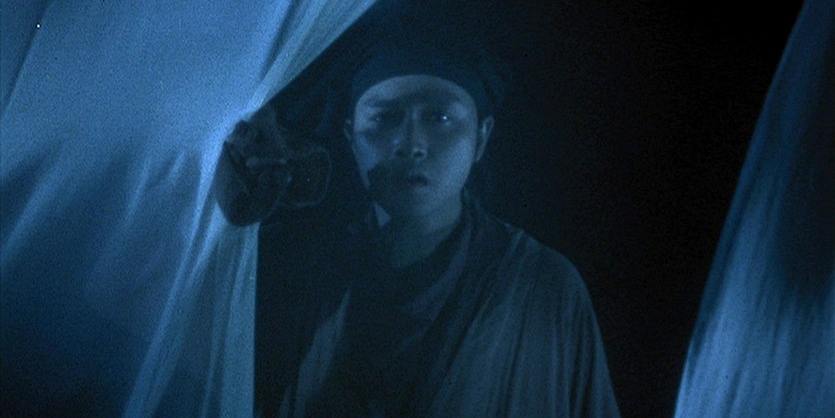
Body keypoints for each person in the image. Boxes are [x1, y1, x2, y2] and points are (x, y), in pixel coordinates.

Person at [215, 24, 620, 418]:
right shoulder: (304, 274)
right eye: (385, 118)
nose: (411, 144)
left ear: (481, 138)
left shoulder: (541, 288)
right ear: (351, 136)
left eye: (440, 118)